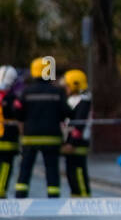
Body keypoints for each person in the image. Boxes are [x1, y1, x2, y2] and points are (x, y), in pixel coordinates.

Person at [14, 58, 68, 198]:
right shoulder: (57, 92)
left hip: (30, 137)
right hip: (52, 137)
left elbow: (18, 112)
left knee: (25, 168)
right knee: (51, 169)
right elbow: (66, 112)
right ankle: (53, 196)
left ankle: (20, 194)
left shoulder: (26, 92)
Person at [63, 69, 92, 197]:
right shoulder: (73, 100)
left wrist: (72, 143)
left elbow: (79, 124)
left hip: (78, 143)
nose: (66, 88)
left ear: (75, 85)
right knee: (71, 172)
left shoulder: (84, 101)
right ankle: (75, 196)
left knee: (78, 171)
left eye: (67, 85)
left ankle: (84, 196)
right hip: (70, 142)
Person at [0, 66, 19, 197]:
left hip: (6, 136)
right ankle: (1, 190)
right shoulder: (12, 98)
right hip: (7, 138)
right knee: (6, 165)